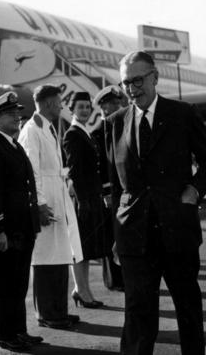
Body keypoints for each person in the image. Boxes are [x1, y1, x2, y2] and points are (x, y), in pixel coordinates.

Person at [106, 51, 206, 354]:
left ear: (155, 78)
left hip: (176, 229)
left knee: (187, 309)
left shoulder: (183, 114)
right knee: (138, 315)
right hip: (134, 234)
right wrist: (115, 234)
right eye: (125, 82)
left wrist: (194, 190)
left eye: (138, 80)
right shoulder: (116, 122)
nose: (132, 88)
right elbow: (117, 185)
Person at [0, 92, 43, 351]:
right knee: (5, 284)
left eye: (18, 114)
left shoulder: (14, 146)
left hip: (23, 227)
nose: (17, 118)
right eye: (11, 114)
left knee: (18, 283)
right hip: (7, 230)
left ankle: (19, 330)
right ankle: (6, 335)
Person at [18, 84, 84, 329]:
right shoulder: (32, 130)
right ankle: (47, 314)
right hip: (45, 200)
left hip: (57, 196)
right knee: (45, 259)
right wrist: (39, 204)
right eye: (58, 102)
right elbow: (30, 171)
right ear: (47, 104)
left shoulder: (48, 127)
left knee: (60, 257)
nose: (61, 106)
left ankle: (59, 310)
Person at [63, 91, 112, 308]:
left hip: (91, 196)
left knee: (86, 247)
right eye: (80, 107)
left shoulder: (85, 132)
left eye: (86, 106)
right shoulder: (73, 134)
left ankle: (82, 290)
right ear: (72, 110)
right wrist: (83, 201)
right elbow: (74, 170)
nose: (84, 110)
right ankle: (82, 290)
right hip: (83, 200)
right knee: (81, 247)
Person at [91, 86, 125, 291]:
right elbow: (101, 167)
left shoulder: (121, 125)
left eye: (117, 103)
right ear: (103, 107)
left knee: (124, 232)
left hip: (124, 190)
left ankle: (124, 274)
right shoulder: (98, 133)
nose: (117, 106)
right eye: (112, 104)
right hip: (111, 192)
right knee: (112, 235)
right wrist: (106, 192)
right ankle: (114, 279)